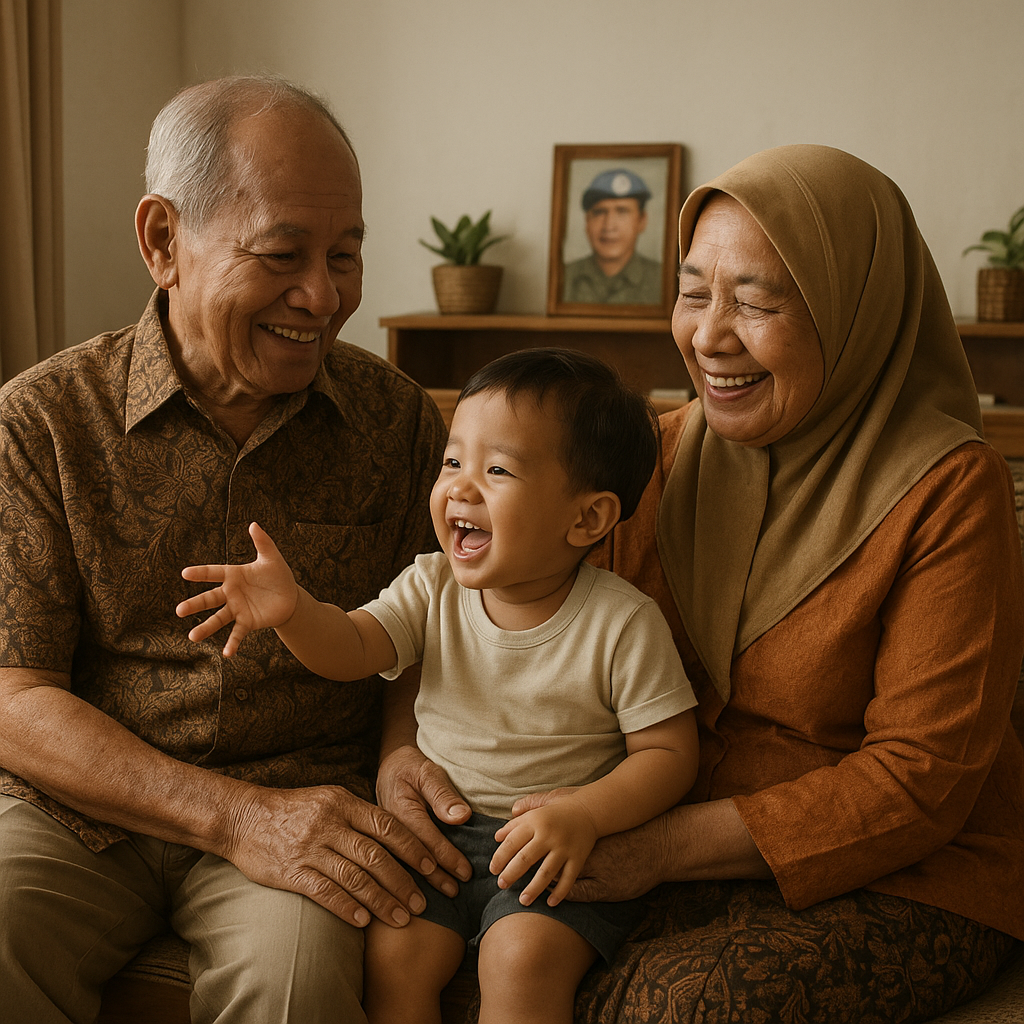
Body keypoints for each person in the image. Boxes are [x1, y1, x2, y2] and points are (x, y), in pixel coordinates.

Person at [380, 145, 1024, 1023]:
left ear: (855, 311)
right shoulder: (655, 454)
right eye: (691, 293)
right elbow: (486, 605)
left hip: (902, 870)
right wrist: (400, 754)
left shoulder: (950, 488)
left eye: (757, 302)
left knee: (676, 1007)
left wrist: (655, 847)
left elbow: (918, 782)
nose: (709, 336)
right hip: (636, 827)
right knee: (409, 928)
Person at [0, 75, 453, 1024]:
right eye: (283, 253)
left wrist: (406, 747)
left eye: (346, 254)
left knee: (294, 987)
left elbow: (435, 622)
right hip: (77, 812)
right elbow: (12, 695)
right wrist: (233, 816)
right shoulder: (40, 423)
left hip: (305, 800)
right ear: (164, 241)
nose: (324, 296)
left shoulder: (397, 420)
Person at [175, 348, 700, 1024]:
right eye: (453, 461)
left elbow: (669, 755)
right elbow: (354, 647)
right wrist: (294, 612)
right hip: (438, 841)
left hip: (550, 846)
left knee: (518, 961)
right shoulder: (432, 585)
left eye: (498, 469)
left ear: (587, 519)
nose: (459, 487)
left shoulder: (622, 623)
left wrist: (586, 815)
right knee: (395, 959)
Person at [562, 169, 662, 306]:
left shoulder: (662, 279)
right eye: (599, 212)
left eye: (622, 212)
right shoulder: (563, 277)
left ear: (642, 221)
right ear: (587, 222)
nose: (609, 226)